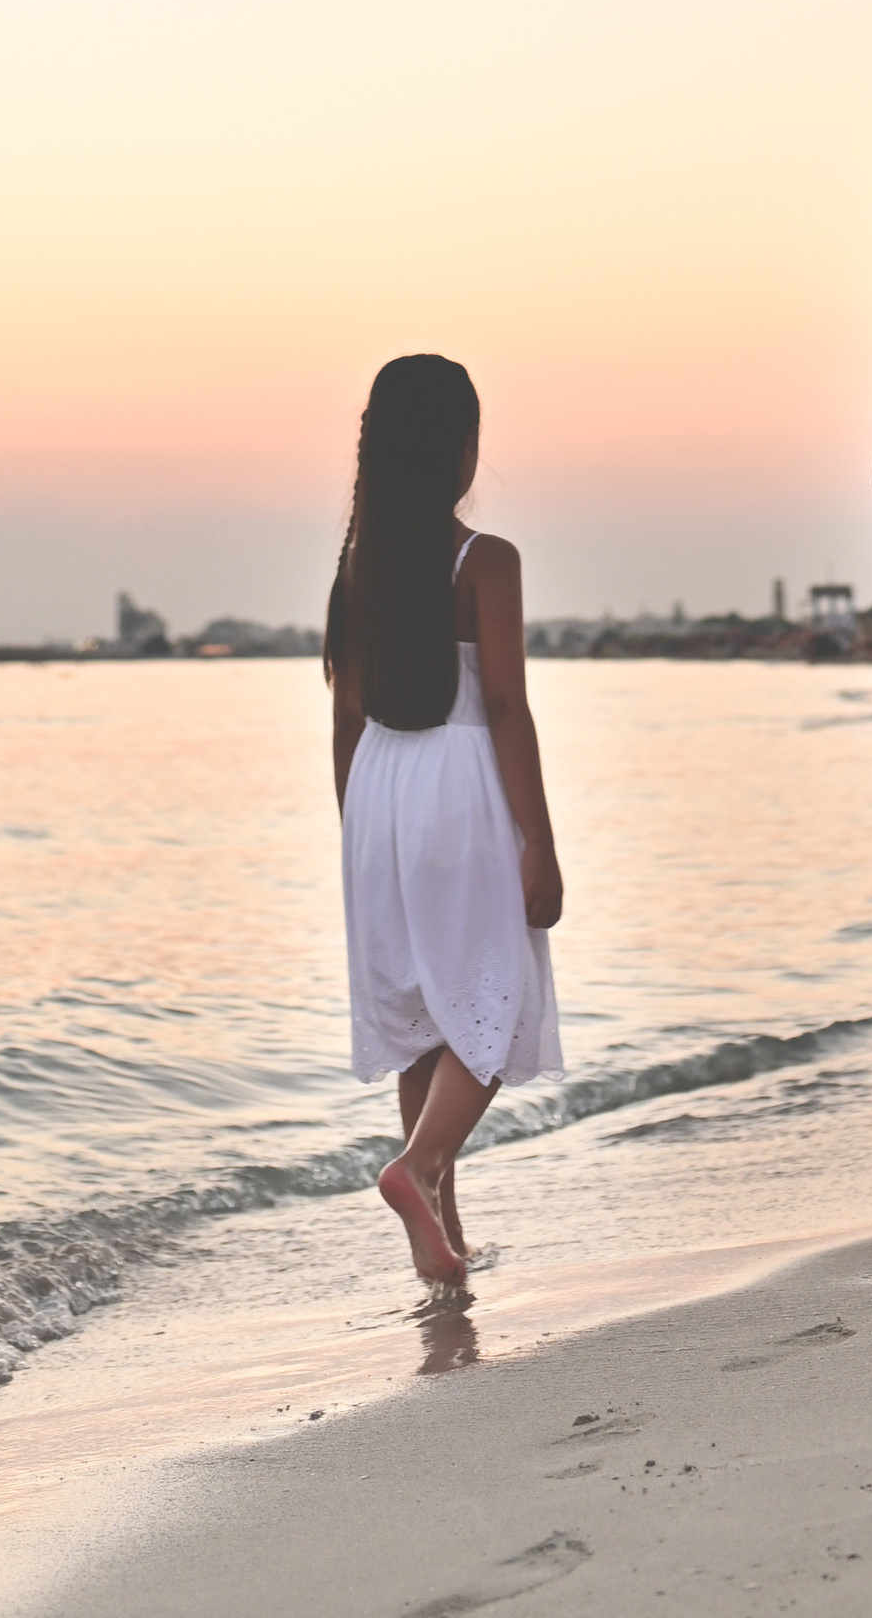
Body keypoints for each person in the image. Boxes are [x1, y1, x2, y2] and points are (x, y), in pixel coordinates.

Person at [325, 354, 564, 1293]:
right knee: (491, 1009)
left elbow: (344, 721)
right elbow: (505, 704)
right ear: (458, 449)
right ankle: (419, 1172)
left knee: (429, 1016)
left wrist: (359, 841)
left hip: (379, 793)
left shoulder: (357, 571)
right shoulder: (483, 559)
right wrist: (538, 845)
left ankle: (441, 1236)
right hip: (460, 785)